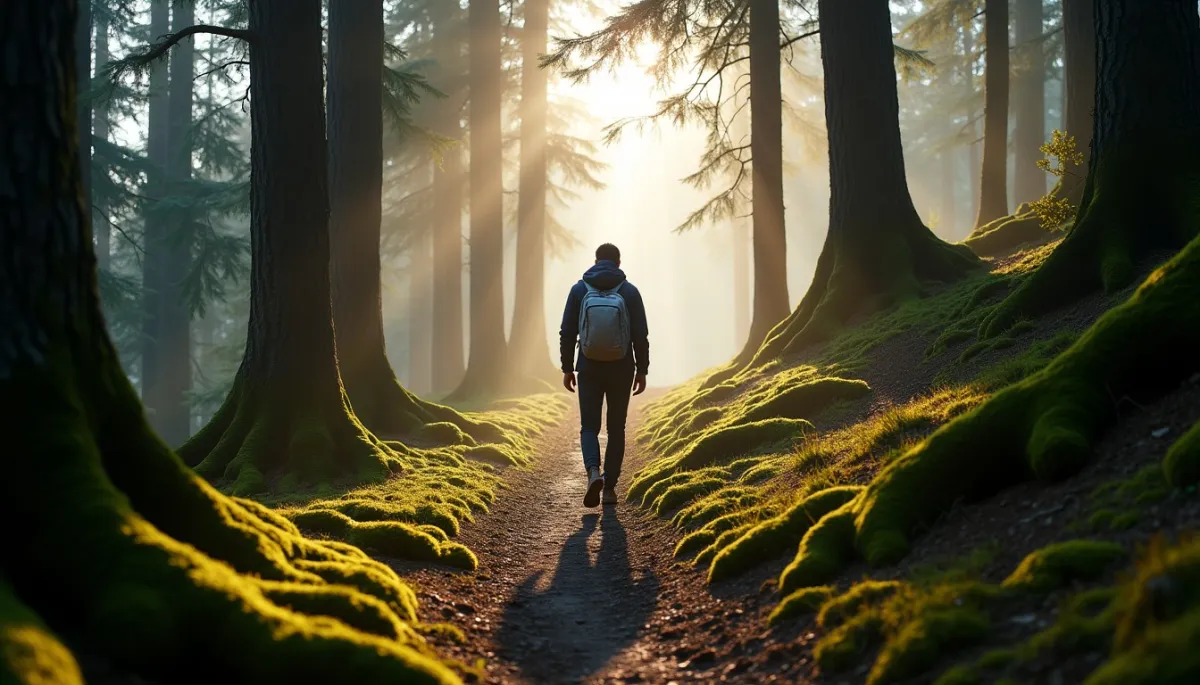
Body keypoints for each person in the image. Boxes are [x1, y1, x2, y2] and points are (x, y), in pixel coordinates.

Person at [560, 243, 650, 507]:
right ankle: (609, 488)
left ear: (595, 261)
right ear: (618, 263)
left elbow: (567, 332)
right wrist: (642, 369)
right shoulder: (630, 292)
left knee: (589, 426)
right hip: (622, 367)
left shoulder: (579, 290)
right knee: (616, 428)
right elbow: (640, 335)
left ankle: (592, 474)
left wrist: (567, 368)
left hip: (588, 366)